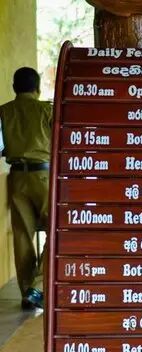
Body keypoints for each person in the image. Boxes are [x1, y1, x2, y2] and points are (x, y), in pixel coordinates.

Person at [0, 68, 52, 309]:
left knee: (22, 236)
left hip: (17, 177)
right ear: (37, 88)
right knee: (57, 231)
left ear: (14, 88)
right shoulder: (46, 110)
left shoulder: (4, 112)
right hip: (44, 176)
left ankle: (26, 294)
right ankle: (37, 287)